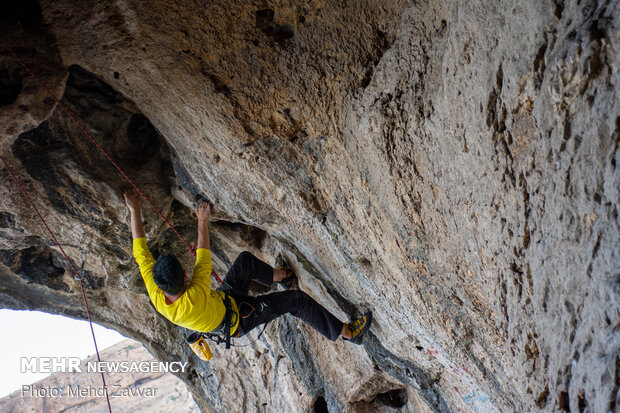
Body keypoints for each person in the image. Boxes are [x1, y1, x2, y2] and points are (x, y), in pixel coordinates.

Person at [123, 190, 372, 350]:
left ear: (159, 284)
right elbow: (203, 252)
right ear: (186, 277)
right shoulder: (195, 293)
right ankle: (348, 333)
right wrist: (201, 220)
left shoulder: (158, 296)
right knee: (296, 301)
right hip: (238, 320)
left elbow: (140, 253)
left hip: (224, 300)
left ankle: (282, 276)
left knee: (244, 262)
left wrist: (134, 210)